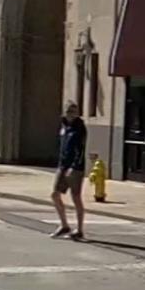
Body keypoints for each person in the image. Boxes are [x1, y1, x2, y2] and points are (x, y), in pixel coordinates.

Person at [51, 101, 88, 240]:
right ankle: (64, 225)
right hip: (63, 165)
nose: (71, 114)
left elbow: (81, 149)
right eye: (68, 111)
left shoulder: (80, 128)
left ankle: (79, 229)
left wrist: (74, 166)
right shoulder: (64, 126)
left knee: (76, 197)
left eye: (73, 111)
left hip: (75, 168)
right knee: (55, 194)